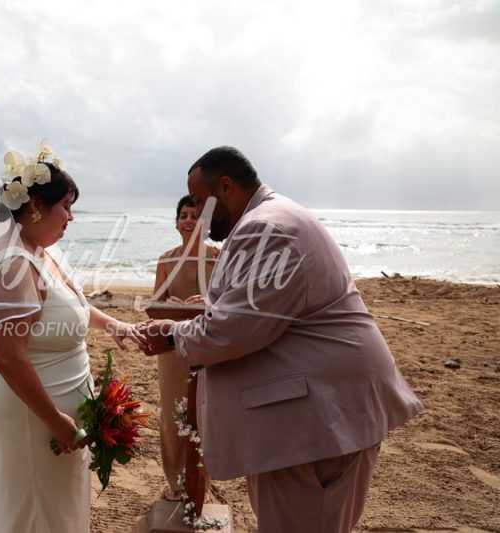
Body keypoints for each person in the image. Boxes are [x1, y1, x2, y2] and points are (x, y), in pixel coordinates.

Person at [137, 146, 423, 533]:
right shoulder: (271, 218)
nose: (197, 214)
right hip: (313, 421)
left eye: (201, 202)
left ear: (226, 187)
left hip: (316, 422)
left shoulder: (264, 228)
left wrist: (170, 334)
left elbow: (234, 329)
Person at [0, 142, 145, 533]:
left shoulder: (40, 252)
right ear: (34, 203)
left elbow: (69, 305)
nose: (71, 217)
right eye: (66, 206)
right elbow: (7, 355)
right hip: (35, 415)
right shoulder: (14, 264)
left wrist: (115, 326)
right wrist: (55, 420)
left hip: (60, 410)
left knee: (52, 512)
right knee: (33, 514)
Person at [152, 195, 217, 501]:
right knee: (171, 414)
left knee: (207, 413)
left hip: (208, 346)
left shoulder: (218, 258)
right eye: (183, 215)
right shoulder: (166, 260)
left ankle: (201, 480)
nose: (189, 220)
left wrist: (207, 303)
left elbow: (230, 304)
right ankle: (176, 482)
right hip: (171, 347)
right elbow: (154, 304)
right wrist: (169, 304)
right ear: (176, 223)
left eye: (195, 215)